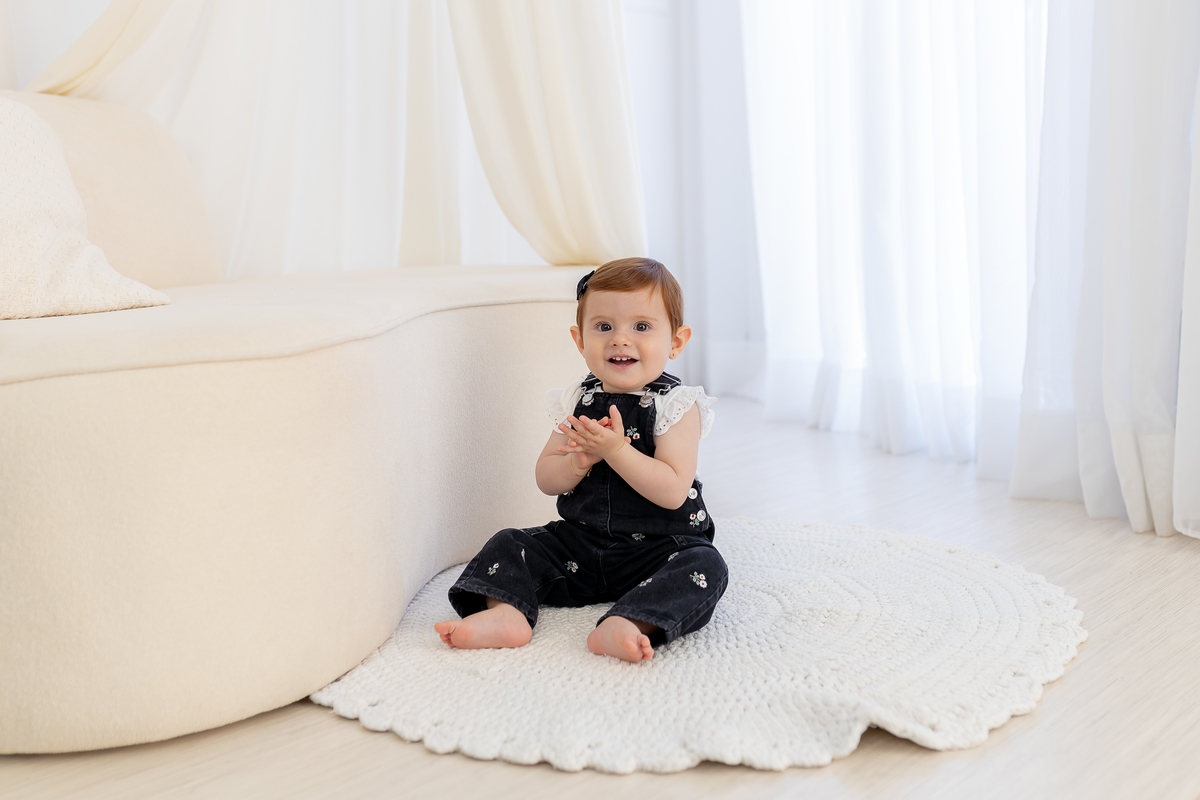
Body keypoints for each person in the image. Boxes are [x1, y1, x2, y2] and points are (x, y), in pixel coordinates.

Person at [434, 257, 725, 662]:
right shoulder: (576, 400)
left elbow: (673, 491)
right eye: (604, 327)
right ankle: (506, 613)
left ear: (676, 341)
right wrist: (578, 462)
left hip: (659, 552)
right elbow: (546, 479)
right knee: (510, 542)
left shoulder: (677, 404)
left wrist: (616, 451)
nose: (620, 340)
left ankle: (630, 621)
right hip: (581, 548)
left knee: (705, 565)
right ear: (580, 340)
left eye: (641, 327)